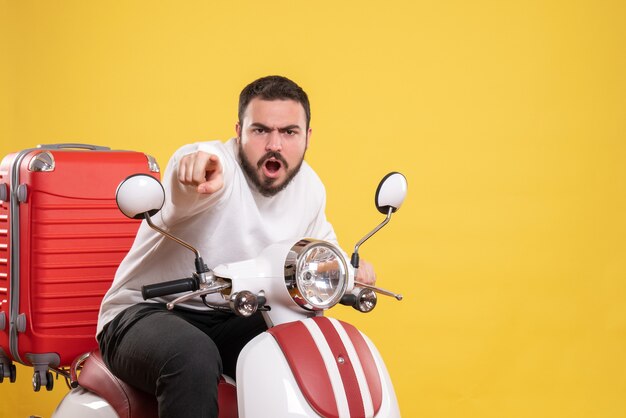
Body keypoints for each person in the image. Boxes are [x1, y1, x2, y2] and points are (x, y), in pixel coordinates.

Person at [96, 75, 376, 418]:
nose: (275, 144)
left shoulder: (309, 188)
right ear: (239, 131)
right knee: (192, 355)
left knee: (305, 340)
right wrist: (195, 168)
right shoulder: (217, 171)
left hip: (234, 314)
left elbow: (321, 249)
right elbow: (191, 176)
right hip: (146, 312)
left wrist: (350, 270)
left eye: (289, 132)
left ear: (307, 137)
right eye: (260, 130)